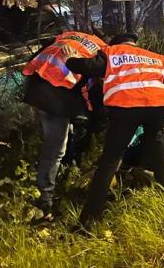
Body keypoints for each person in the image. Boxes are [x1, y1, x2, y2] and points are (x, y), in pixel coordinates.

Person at [65, 32, 164, 227]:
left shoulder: (111, 52)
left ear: (117, 43)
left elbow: (91, 67)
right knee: (156, 140)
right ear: (135, 43)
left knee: (110, 160)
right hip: (156, 106)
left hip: (126, 107)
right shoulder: (155, 57)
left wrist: (70, 60)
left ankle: (90, 220)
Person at [22, 31, 107, 218]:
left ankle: (58, 178)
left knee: (64, 136)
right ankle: (45, 200)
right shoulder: (102, 51)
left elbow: (38, 54)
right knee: (55, 149)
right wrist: (95, 117)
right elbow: (90, 89)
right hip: (55, 96)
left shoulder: (73, 36)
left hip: (37, 85)